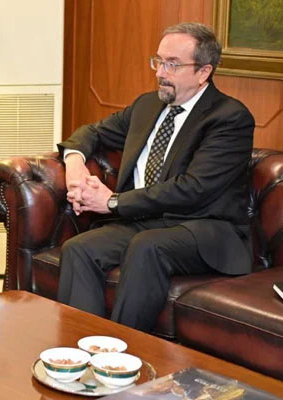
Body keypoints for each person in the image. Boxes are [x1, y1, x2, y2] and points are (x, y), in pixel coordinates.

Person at [56, 22, 254, 332]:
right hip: (145, 219)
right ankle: (83, 350)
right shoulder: (148, 105)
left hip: (203, 227)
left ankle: (121, 357)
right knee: (79, 249)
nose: (160, 72)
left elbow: (194, 189)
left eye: (173, 65)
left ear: (203, 72)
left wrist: (112, 202)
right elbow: (91, 133)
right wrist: (74, 164)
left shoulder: (229, 118)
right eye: (158, 61)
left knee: (148, 246)